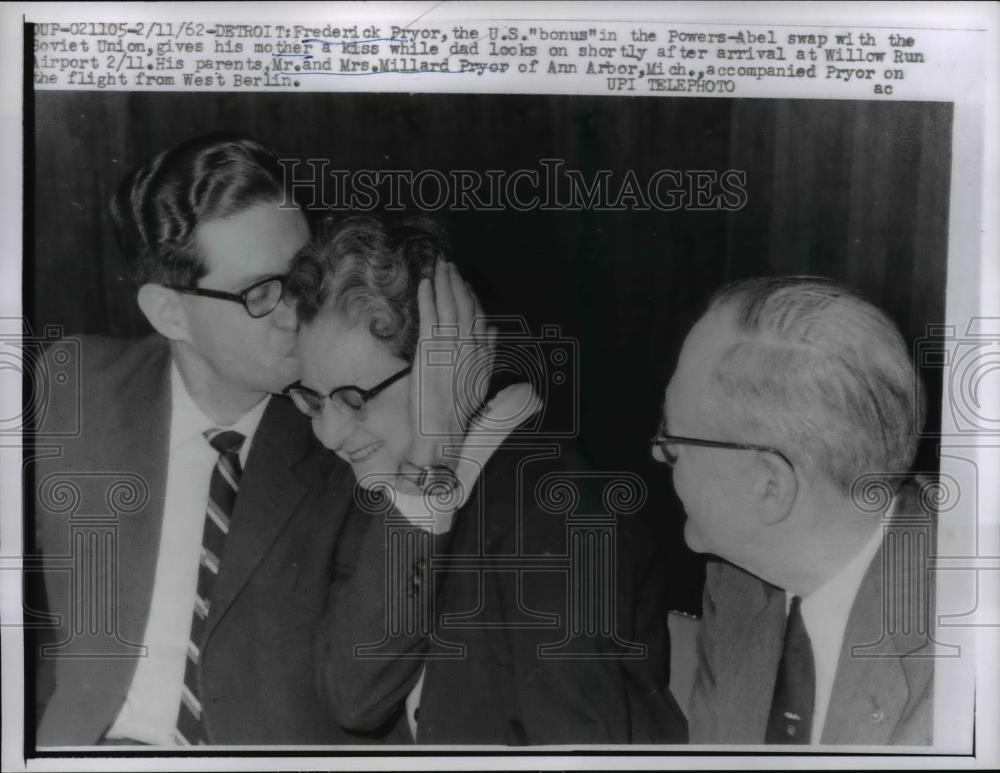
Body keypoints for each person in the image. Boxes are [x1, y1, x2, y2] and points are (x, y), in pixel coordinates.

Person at [30, 133, 402, 746]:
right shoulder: (76, 389)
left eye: (303, 275)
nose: (297, 312)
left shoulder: (353, 422)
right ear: (170, 313)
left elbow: (365, 691)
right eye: (260, 293)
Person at [285, 215, 687, 744]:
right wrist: (426, 465)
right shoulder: (398, 486)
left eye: (354, 399)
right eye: (314, 400)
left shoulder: (558, 509)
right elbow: (353, 698)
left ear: (449, 369)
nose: (329, 434)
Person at [652, 276, 935, 745]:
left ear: (770, 486)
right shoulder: (739, 584)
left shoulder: (965, 657)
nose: (659, 453)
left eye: (672, 437)